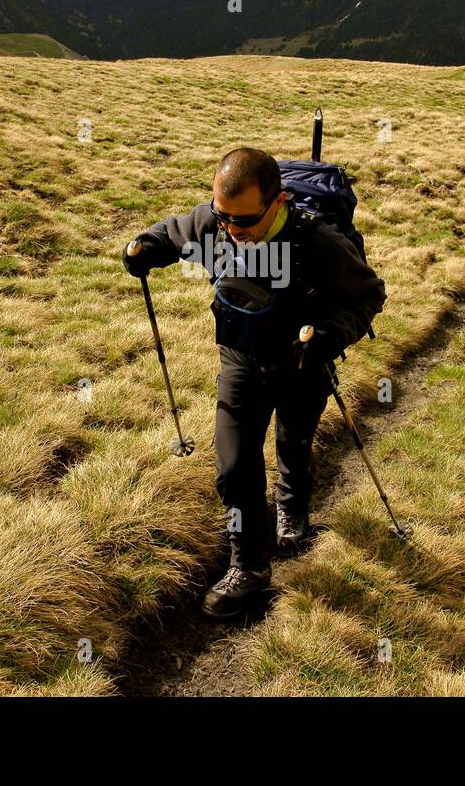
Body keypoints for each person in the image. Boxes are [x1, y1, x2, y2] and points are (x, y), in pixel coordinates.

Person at [122, 147, 386, 618]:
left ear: (279, 202)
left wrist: (327, 336)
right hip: (241, 362)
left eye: (243, 221)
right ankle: (249, 567)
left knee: (294, 441)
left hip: (304, 365)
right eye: (223, 217)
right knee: (234, 465)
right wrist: (145, 249)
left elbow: (369, 295)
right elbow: (172, 233)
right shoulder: (218, 221)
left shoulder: (316, 242)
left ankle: (292, 509)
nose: (230, 230)